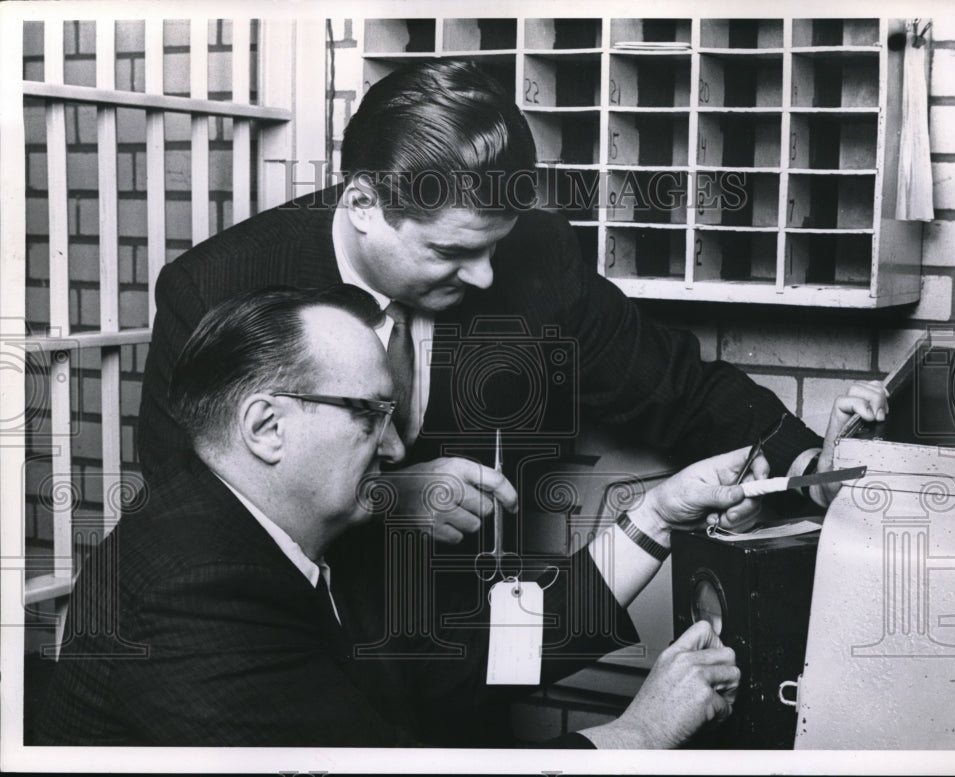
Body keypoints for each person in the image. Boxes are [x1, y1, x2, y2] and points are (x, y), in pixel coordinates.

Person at [136, 60, 889, 545]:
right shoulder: (214, 288)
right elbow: (189, 510)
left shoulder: (536, 261)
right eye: (453, 251)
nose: (488, 276)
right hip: (293, 654)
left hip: (462, 662)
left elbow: (678, 389)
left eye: (495, 244)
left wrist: (811, 465)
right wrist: (387, 502)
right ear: (363, 202)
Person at [37, 285, 762, 748]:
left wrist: (657, 517)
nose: (396, 445)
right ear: (266, 427)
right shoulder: (192, 585)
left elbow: (470, 659)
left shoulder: (295, 533)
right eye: (369, 415)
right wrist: (643, 729)